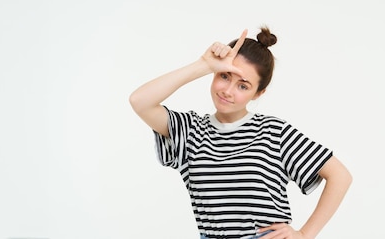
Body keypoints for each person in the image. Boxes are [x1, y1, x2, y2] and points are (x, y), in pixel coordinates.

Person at [129, 26, 352, 239]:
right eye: (224, 76)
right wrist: (203, 64)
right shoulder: (190, 130)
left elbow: (340, 176)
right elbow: (140, 101)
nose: (227, 91)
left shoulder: (275, 133)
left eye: (243, 85)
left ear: (258, 93)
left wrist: (305, 234)